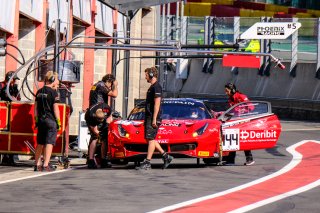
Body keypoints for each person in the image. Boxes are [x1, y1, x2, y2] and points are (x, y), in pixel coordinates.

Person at [136, 67, 173, 170]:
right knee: (149, 139)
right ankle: (166, 156)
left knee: (151, 139)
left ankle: (147, 162)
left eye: (146, 75)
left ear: (152, 75)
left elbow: (157, 104)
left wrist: (154, 119)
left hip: (153, 116)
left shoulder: (156, 87)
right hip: (149, 116)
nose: (145, 77)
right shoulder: (152, 87)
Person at [34, 71, 60, 172]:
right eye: (57, 80)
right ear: (53, 80)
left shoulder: (39, 91)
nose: (57, 82)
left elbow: (35, 108)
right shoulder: (53, 93)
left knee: (40, 142)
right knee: (49, 142)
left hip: (40, 120)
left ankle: (36, 164)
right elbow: (55, 108)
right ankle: (45, 165)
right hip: (50, 121)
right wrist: (58, 121)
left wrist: (36, 120)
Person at [225, 82, 255, 166]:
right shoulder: (230, 99)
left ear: (232, 90)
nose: (226, 93)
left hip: (244, 121)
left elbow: (252, 107)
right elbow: (232, 111)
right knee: (231, 138)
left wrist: (241, 110)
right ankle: (231, 160)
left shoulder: (241, 96)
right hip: (235, 121)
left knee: (244, 140)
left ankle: (250, 159)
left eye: (227, 91)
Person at [0, 71, 21, 165]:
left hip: (11, 114)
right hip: (3, 114)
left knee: (12, 135)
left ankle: (10, 158)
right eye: (14, 79)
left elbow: (18, 98)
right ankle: (4, 157)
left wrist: (15, 99)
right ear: (9, 78)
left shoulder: (15, 87)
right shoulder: (1, 85)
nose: (15, 82)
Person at [85, 102, 112, 169]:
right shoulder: (90, 115)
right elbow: (95, 130)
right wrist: (97, 132)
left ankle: (103, 160)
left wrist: (107, 126)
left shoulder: (106, 109)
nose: (100, 121)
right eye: (99, 120)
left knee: (104, 138)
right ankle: (91, 160)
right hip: (92, 120)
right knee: (95, 137)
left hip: (104, 120)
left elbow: (110, 118)